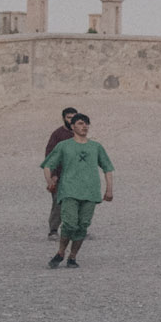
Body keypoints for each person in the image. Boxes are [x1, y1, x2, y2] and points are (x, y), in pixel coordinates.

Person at [42, 113, 114, 269]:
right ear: (73, 126)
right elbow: (48, 164)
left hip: (90, 192)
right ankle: (61, 252)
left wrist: (109, 189)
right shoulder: (64, 146)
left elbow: (107, 168)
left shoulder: (96, 147)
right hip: (69, 190)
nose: (84, 126)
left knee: (83, 225)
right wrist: (49, 181)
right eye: (81, 123)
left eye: (87, 124)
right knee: (69, 223)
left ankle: (72, 257)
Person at [43, 107, 77, 239]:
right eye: (69, 117)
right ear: (64, 118)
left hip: (75, 175)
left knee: (77, 202)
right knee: (58, 202)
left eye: (74, 116)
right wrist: (53, 175)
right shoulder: (57, 134)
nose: (72, 119)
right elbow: (50, 155)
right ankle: (53, 230)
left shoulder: (79, 132)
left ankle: (76, 230)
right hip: (59, 175)